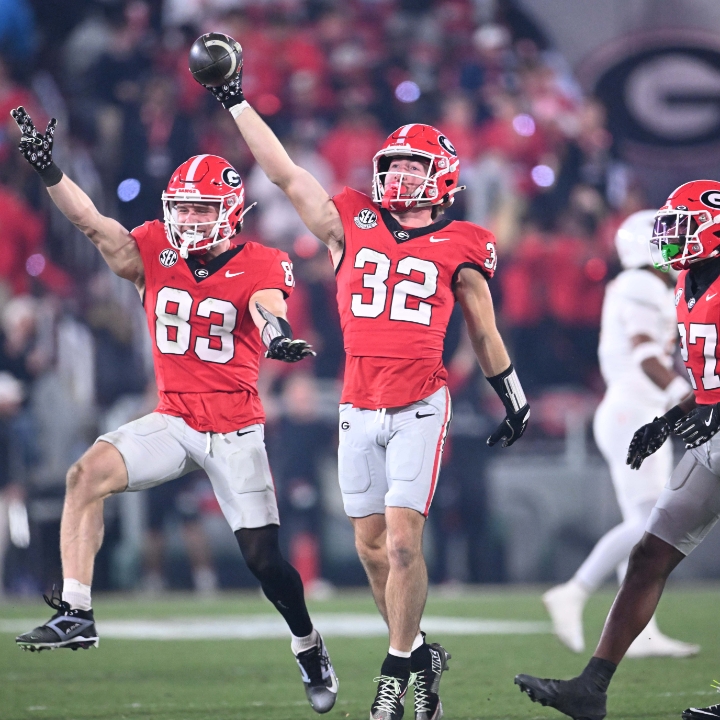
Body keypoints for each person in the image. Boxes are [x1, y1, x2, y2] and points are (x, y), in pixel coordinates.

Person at [195, 38, 531, 720]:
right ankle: (420, 653)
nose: (399, 175)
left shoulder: (465, 242)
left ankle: (393, 675)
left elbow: (485, 332)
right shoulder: (351, 218)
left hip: (419, 404)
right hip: (357, 404)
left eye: (413, 166)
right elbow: (286, 174)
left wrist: (513, 399)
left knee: (404, 543)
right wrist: (235, 100)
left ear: (442, 176)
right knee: (373, 550)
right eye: (394, 164)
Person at [9, 106, 338, 715]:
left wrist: (277, 337)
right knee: (85, 475)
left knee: (264, 561)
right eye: (182, 208)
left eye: (202, 209)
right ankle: (77, 610)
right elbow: (92, 225)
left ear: (230, 211)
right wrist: (51, 171)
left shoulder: (263, 260)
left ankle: (307, 643)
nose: (188, 220)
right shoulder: (155, 248)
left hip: (234, 428)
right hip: (173, 418)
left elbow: (267, 307)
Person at [515, 180, 720, 720]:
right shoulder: (685, 283)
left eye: (683, 228)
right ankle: (591, 688)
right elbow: (706, 379)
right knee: (649, 552)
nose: (672, 239)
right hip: (709, 434)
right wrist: (668, 420)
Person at [542, 209, 698, 658]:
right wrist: (684, 396)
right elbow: (646, 354)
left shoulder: (644, 285)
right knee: (650, 524)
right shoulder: (640, 284)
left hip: (637, 410)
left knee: (647, 526)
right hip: (635, 412)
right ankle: (574, 590)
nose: (678, 247)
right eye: (669, 239)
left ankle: (640, 632)